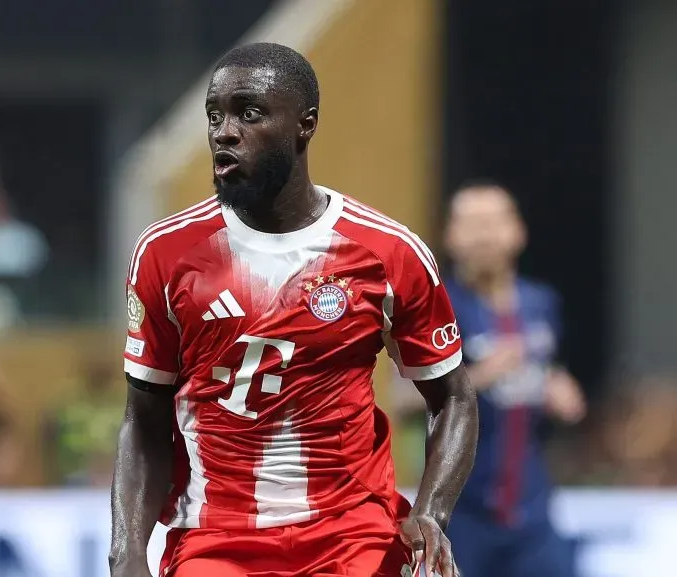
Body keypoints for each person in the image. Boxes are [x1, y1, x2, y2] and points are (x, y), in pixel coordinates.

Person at [109, 43, 478, 577]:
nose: (224, 131)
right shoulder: (166, 253)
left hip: (353, 537)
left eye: (248, 113)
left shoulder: (386, 252)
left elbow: (453, 398)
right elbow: (144, 422)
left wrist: (432, 512)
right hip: (217, 541)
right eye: (215, 116)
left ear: (305, 125)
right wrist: (126, 555)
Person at [439, 182, 584, 577]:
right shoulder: (438, 307)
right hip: (460, 512)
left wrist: (560, 390)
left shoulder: (542, 303)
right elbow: (402, 399)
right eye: (472, 223)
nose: (485, 234)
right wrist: (482, 376)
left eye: (494, 221)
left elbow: (546, 372)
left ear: (518, 230)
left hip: (533, 511)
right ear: (450, 235)